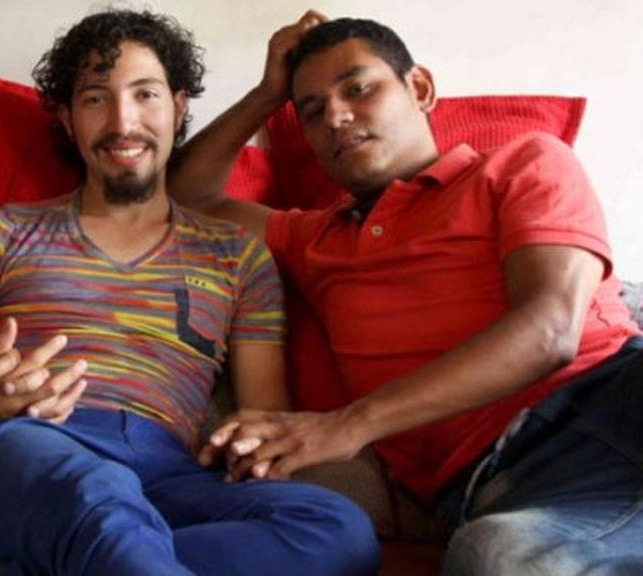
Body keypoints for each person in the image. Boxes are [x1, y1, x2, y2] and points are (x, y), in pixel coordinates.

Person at [0, 8, 379, 576]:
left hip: (166, 473)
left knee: (339, 531)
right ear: (67, 119)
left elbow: (265, 419)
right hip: (24, 447)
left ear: (179, 108)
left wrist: (249, 449)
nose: (123, 122)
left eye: (145, 95)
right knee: (95, 493)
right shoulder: (1, 233)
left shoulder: (237, 256)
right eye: (96, 99)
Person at [170, 10, 643, 575]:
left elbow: (550, 330)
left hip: (610, 402)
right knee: (497, 557)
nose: (336, 117)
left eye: (358, 89)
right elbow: (186, 200)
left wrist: (347, 424)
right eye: (313, 111)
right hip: (508, 488)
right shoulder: (313, 240)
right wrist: (266, 96)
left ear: (419, 88)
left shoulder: (522, 162)